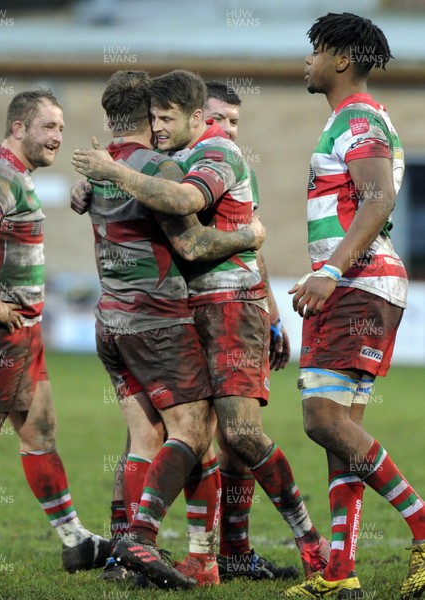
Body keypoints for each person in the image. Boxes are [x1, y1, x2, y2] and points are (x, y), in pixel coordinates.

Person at [72, 68, 330, 583]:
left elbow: (189, 217)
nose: (229, 128)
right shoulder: (169, 158)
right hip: (185, 311)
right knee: (191, 434)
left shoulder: (215, 154)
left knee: (238, 433)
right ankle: (201, 554)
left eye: (167, 118)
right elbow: (158, 198)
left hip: (231, 307)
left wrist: (112, 172)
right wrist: (93, 181)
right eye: (155, 118)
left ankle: (308, 540)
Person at [282, 13, 425, 599]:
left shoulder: (359, 117)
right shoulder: (351, 119)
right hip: (360, 284)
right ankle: (340, 576)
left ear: (340, 59)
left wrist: (330, 271)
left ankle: (422, 526)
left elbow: (379, 196)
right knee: (343, 436)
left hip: (356, 284)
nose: (306, 62)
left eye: (313, 51)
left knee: (322, 420)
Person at [0, 90, 111, 575]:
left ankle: (75, 540)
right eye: (48, 127)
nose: (58, 137)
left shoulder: (17, 175)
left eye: (62, 128)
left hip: (20, 331)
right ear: (18, 128)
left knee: (39, 431)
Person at [203, 80, 297, 581]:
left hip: (243, 312)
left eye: (236, 122)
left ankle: (233, 552)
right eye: (220, 119)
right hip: (195, 314)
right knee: (177, 435)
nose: (230, 131)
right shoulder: (183, 168)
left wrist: (274, 313)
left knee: (235, 436)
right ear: (197, 117)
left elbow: (251, 249)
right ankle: (133, 545)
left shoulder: (240, 169)